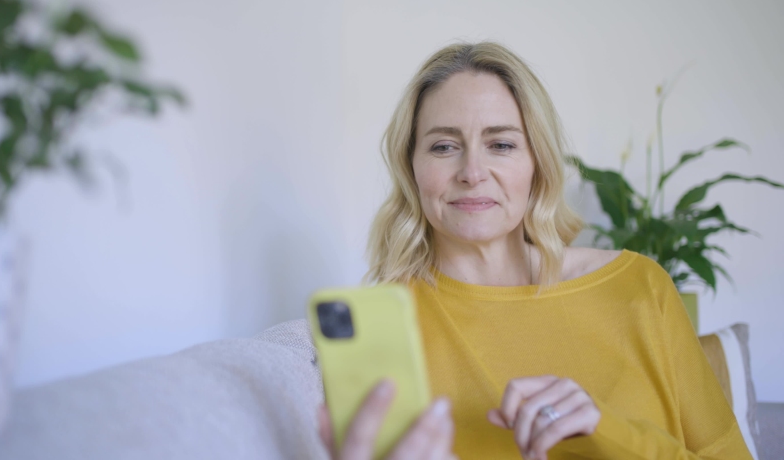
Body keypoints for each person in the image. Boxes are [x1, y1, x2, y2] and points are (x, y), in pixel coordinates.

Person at [316, 42, 753, 460]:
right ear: (412, 168)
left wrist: (604, 431)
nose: (472, 172)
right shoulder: (388, 328)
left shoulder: (639, 287)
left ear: (537, 163)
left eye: (501, 144)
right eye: (444, 146)